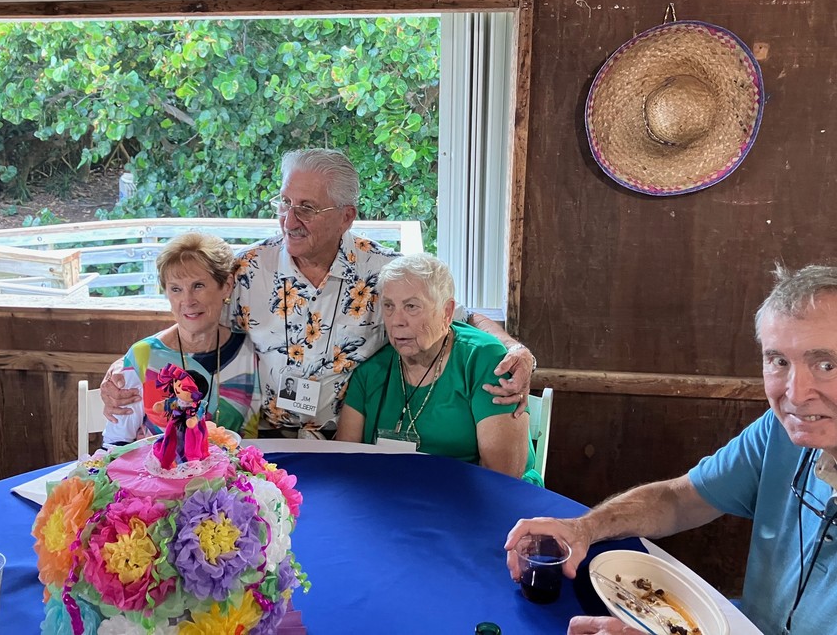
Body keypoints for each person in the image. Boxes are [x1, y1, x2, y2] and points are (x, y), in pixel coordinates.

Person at [103, 148, 536, 439]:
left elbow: (458, 317)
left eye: (307, 208)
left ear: (346, 216)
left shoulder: (382, 271)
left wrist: (515, 349)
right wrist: (123, 368)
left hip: (349, 442)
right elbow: (192, 315)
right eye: (285, 203)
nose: (290, 220)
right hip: (262, 440)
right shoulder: (248, 269)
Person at [504, 264, 837, 635]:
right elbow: (680, 499)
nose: (795, 394)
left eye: (826, 365)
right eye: (779, 361)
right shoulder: (780, 430)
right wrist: (584, 528)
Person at [335, 254, 540, 483]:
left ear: (447, 312)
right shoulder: (371, 370)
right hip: (393, 493)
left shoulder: (484, 360)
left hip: (476, 493)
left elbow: (502, 476)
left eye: (411, 306)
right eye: (389, 306)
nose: (396, 320)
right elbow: (345, 462)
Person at [101, 232, 261, 447]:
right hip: (155, 467)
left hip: (232, 467)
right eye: (176, 289)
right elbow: (115, 444)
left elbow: (250, 439)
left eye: (198, 286)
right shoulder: (144, 356)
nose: (187, 300)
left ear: (226, 285)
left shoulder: (248, 349)